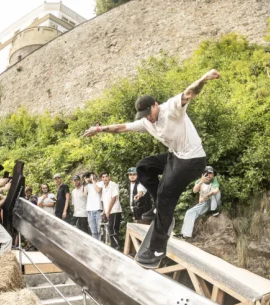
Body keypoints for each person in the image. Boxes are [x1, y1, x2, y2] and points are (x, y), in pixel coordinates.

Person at [82, 69, 221, 266]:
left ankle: (157, 247)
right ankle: (162, 209)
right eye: (145, 116)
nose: (149, 118)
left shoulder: (171, 109)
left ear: (156, 105)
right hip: (175, 156)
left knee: (165, 193)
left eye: (150, 113)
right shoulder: (146, 121)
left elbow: (189, 93)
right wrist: (99, 129)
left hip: (192, 160)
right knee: (143, 168)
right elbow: (122, 128)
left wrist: (203, 78)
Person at [177, 166, 221, 239]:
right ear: (202, 174)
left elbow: (216, 190)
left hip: (215, 202)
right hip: (206, 203)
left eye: (210, 173)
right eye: (206, 173)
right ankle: (185, 234)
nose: (208, 175)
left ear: (213, 175)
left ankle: (214, 210)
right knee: (189, 212)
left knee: (215, 192)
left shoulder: (214, 180)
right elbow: (195, 191)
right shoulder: (199, 181)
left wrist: (208, 195)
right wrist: (201, 181)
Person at [97, 172, 123, 249]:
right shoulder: (104, 187)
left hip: (114, 210)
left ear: (109, 177)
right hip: (108, 211)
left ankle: (117, 247)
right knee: (109, 229)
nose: (105, 178)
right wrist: (104, 211)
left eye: (106, 176)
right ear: (102, 179)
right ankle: (113, 246)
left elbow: (113, 199)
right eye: (103, 177)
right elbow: (104, 201)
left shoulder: (113, 185)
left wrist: (108, 212)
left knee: (113, 229)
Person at [84, 172, 103, 240]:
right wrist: (86, 182)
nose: (92, 178)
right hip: (90, 210)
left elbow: (98, 190)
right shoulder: (88, 185)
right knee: (93, 231)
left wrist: (93, 181)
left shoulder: (100, 183)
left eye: (94, 177)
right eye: (91, 177)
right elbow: (84, 194)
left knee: (99, 230)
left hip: (98, 209)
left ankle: (101, 245)